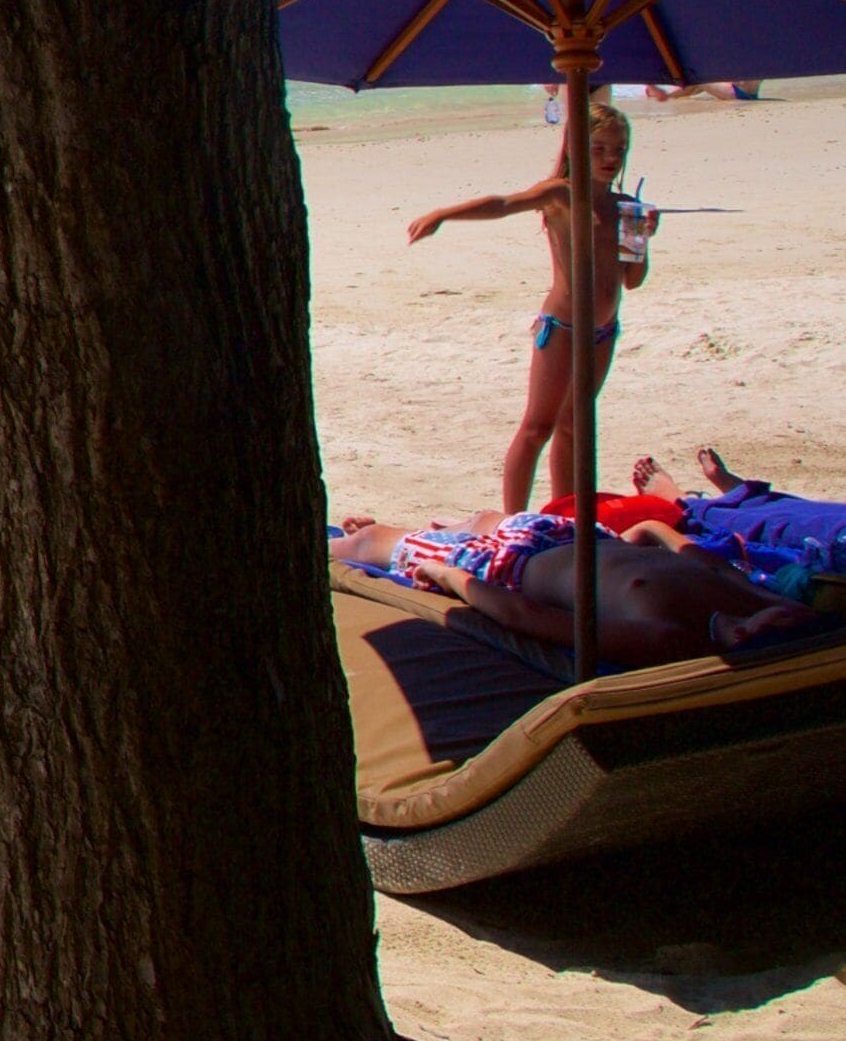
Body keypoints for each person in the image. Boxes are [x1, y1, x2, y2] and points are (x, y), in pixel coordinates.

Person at [406, 95, 651, 513]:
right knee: (538, 426)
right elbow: (503, 205)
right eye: (599, 148)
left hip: (605, 329)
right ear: (575, 148)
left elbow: (632, 280)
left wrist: (643, 239)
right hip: (564, 327)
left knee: (575, 426)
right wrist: (444, 214)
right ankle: (513, 519)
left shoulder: (626, 207)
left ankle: (562, 514)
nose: (611, 157)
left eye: (618, 149)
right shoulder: (561, 194)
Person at [328, 506, 816, 666]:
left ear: (749, 641)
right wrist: (640, 536)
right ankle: (439, 529)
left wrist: (449, 577)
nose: (790, 613)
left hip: (502, 566)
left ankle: (359, 538)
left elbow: (531, 618)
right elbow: (678, 544)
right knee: (483, 516)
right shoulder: (755, 596)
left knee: (372, 543)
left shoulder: (673, 637)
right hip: (573, 536)